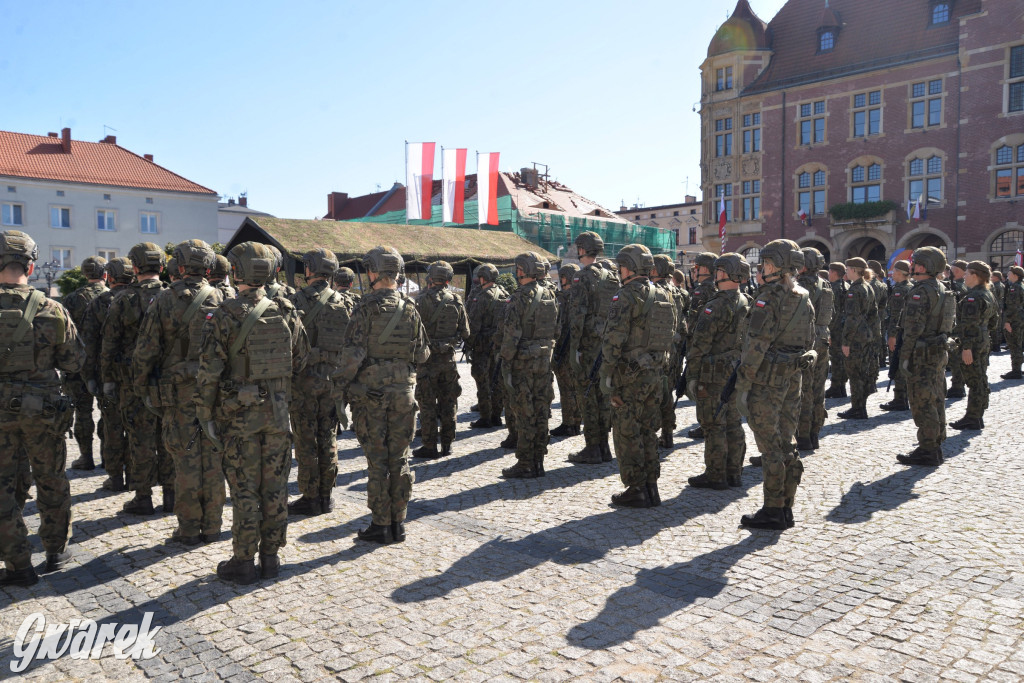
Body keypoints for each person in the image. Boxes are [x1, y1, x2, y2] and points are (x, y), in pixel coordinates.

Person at [195, 242, 309, 583]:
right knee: (275, 487)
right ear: (271, 272)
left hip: (238, 418)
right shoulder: (286, 310)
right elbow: (300, 360)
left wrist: (205, 415)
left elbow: (209, 372)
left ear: (236, 272)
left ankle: (243, 561)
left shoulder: (224, 314)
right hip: (277, 416)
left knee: (245, 489)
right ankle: (271, 558)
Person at [0, 230, 85, 587]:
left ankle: (18, 564)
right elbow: (75, 362)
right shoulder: (53, 308)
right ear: (31, 266)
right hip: (43, 411)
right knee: (51, 479)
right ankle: (56, 550)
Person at [133, 240, 226, 544]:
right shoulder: (222, 298)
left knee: (185, 460)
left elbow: (146, 349)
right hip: (213, 392)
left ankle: (188, 529)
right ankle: (213, 525)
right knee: (212, 459)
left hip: (178, 394)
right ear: (208, 266)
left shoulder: (164, 300)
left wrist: (142, 386)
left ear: (180, 266)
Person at [335, 246, 429, 544]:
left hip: (372, 397)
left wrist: (339, 388)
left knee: (378, 461)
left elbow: (352, 357)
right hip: (404, 394)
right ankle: (398, 523)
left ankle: (380, 524)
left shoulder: (364, 308)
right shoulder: (411, 308)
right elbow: (423, 353)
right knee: (399, 458)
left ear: (373, 273)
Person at [735, 239, 814, 530]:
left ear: (773, 266)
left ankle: (773, 509)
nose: (760, 270)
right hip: (792, 378)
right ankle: (785, 506)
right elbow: (809, 340)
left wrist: (743, 386)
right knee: (786, 441)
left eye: (763, 264)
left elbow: (756, 345)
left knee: (770, 448)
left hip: (767, 381)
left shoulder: (768, 297)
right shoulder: (803, 295)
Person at [598, 245, 676, 507]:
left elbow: (613, 340)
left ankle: (636, 488)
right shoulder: (664, 294)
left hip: (628, 376)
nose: (619, 271)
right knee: (647, 430)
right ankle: (651, 486)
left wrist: (607, 374)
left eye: (621, 266)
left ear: (629, 267)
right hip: (654, 374)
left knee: (626, 432)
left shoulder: (626, 296)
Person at [101, 242, 173, 515]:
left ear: (134, 268)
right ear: (162, 267)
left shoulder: (123, 299)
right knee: (167, 435)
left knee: (140, 439)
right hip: (167, 380)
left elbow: (110, 343)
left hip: (132, 382)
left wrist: (108, 379)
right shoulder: (170, 296)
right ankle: (172, 494)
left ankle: (143, 496)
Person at [284, 248, 354, 515]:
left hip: (303, 382)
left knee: (305, 440)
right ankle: (327, 495)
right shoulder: (345, 302)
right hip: (333, 382)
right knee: (328, 438)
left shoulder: (295, 300)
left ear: (309, 270)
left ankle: (310, 496)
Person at [686, 253, 750, 490]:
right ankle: (734, 472)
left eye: (718, 271)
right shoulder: (746, 301)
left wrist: (691, 376)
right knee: (733, 422)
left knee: (713, 425)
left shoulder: (715, 306)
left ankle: (716, 474)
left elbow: (699, 345)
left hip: (713, 374)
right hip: (735, 370)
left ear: (724, 273)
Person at [892, 246, 956, 466]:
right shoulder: (941, 288)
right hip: (937, 352)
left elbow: (912, 329)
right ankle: (935, 444)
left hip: (921, 354)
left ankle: (928, 449)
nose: (912, 265)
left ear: (923, 266)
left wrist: (904, 358)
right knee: (936, 398)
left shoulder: (920, 292)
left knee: (922, 402)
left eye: (915, 262)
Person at [498, 252, 559, 479]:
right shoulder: (550, 295)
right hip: (544, 361)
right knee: (542, 409)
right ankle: (539, 459)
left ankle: (526, 462)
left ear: (522, 270)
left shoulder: (519, 297)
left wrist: (505, 361)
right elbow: (557, 330)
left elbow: (511, 335)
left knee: (525, 413)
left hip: (522, 362)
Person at [567, 232, 619, 464]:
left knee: (587, 397)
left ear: (582, 250)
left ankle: (592, 448)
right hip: (606, 344)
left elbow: (578, 316)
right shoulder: (611, 276)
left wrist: (574, 348)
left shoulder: (583, 277)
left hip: (588, 345)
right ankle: (604, 447)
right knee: (602, 396)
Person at [83, 258, 133, 491]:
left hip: (108, 374)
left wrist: (90, 376)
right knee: (137, 427)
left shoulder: (99, 302)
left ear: (109, 277)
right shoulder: (139, 299)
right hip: (136, 375)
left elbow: (90, 343)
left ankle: (115, 477)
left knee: (112, 427)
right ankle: (136, 476)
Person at [412, 261, 470, 459]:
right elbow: (466, 332)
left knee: (427, 404)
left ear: (431, 278)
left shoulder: (420, 301)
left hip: (427, 361)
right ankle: (447, 443)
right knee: (449, 402)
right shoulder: (456, 300)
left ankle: (429, 445)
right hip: (448, 360)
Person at [63, 256, 108, 470]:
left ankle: (86, 456)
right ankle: (109, 457)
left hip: (78, 364)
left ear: (85, 274)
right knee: (108, 412)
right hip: (106, 364)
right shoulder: (113, 296)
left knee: (83, 412)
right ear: (105, 274)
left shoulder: (72, 299)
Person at [949, 261, 997, 431]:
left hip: (973, 342)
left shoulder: (973, 297)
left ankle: (973, 417)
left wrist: (967, 347)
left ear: (976, 275)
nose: (964, 276)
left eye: (967, 273)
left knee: (974, 380)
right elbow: (994, 321)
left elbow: (968, 324)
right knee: (980, 377)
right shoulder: (987, 293)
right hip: (983, 338)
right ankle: (977, 415)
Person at [796, 247, 833, 450]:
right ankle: (814, 433)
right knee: (818, 390)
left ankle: (802, 436)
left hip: (806, 340)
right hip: (823, 338)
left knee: (804, 390)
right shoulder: (825, 283)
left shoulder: (800, 285)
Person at [651, 254, 688, 449]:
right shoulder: (680, 292)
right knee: (668, 392)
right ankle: (668, 433)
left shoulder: (655, 291)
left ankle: (654, 433)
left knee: (657, 393)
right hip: (675, 349)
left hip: (659, 349)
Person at [467, 263, 508, 430]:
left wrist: (469, 344)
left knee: (482, 382)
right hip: (498, 344)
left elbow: (474, 325)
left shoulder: (482, 297)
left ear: (482, 278)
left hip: (482, 346)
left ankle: (486, 417)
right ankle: (497, 415)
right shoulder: (505, 294)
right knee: (497, 380)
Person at [683, 252, 719, 439]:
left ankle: (705, 424)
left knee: (700, 386)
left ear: (705, 269)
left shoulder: (701, 290)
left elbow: (693, 322)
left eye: (696, 268)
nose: (694, 272)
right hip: (714, 346)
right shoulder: (717, 287)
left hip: (699, 345)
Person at [839, 257, 876, 420]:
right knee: (862, 372)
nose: (846, 272)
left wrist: (846, 342)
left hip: (855, 338)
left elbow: (852, 318)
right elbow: (874, 315)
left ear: (854, 270)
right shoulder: (867, 287)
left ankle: (857, 408)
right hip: (865, 335)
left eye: (847, 269)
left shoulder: (855, 290)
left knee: (855, 374)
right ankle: (860, 406)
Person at [550, 263, 581, 437]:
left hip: (564, 349)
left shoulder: (562, 298)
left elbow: (558, 325)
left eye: (562, 277)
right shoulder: (580, 297)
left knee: (566, 389)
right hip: (577, 349)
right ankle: (576, 421)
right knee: (575, 388)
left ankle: (569, 423)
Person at [880, 260, 913, 412]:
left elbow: (896, 316)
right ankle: (902, 397)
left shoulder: (900, 290)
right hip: (906, 333)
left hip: (899, 333)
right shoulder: (910, 287)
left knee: (898, 364)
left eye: (894, 271)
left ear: (900, 272)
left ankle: (900, 399)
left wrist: (892, 335)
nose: (892, 273)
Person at [825, 262, 849, 398]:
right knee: (841, 358)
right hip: (843, 327)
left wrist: (828, 331)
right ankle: (841, 386)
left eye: (829, 271)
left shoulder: (833, 288)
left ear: (834, 273)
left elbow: (832, 312)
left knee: (835, 358)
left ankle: (836, 387)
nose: (828, 274)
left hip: (835, 328)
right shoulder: (846, 285)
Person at [946, 260, 969, 398]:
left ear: (958, 271)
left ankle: (958, 386)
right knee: (954, 359)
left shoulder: (960, 286)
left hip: (958, 328)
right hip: (955, 326)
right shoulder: (958, 285)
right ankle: (957, 385)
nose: (948, 273)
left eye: (951, 270)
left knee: (956, 359)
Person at [1003, 266, 1024, 379]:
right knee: (1018, 344)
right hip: (1020, 319)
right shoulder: (1020, 286)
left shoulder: (1014, 288)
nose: (1007, 275)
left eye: (1009, 273)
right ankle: (1018, 369)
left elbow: (1012, 307)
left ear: (1015, 275)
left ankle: (1016, 371)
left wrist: (1007, 321)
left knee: (1014, 345)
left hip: (1014, 320)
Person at [868, 260, 889, 368]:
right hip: (881, 315)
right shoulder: (882, 284)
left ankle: (875, 361)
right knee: (880, 338)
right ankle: (881, 359)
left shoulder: (870, 285)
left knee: (872, 340)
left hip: (871, 317)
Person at [989, 270, 1005, 353]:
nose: (991, 277)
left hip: (997, 307)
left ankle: (996, 345)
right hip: (999, 307)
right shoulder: (1000, 285)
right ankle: (997, 345)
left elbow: (996, 298)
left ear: (996, 277)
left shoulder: (997, 286)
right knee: (997, 327)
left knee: (995, 327)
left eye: (993, 276)